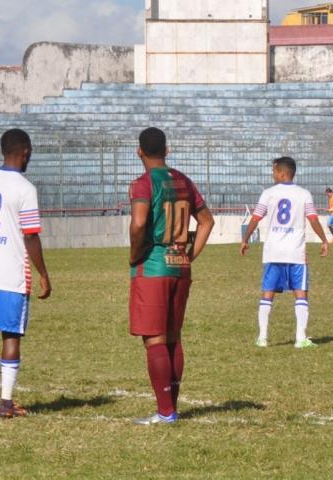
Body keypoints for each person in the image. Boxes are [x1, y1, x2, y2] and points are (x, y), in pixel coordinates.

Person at [128, 127, 215, 425]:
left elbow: (139, 224)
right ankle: (171, 407)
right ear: (167, 150)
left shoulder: (142, 184)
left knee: (155, 340)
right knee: (173, 339)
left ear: (139, 151)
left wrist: (134, 253)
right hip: (180, 266)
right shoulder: (183, 180)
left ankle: (165, 412)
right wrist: (189, 254)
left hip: (153, 268)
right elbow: (206, 221)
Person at [0, 129, 51, 418]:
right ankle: (5, 403)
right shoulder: (25, 188)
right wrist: (44, 273)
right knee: (12, 335)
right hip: (11, 273)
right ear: (25, 151)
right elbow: (30, 236)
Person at [242, 156, 330, 350]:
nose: (273, 174)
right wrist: (324, 240)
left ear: (282, 173)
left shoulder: (268, 194)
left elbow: (256, 218)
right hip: (295, 253)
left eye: (274, 171)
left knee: (267, 294)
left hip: (273, 252)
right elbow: (313, 219)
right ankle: (300, 338)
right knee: (301, 294)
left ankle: (263, 338)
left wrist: (245, 238)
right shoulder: (303, 194)